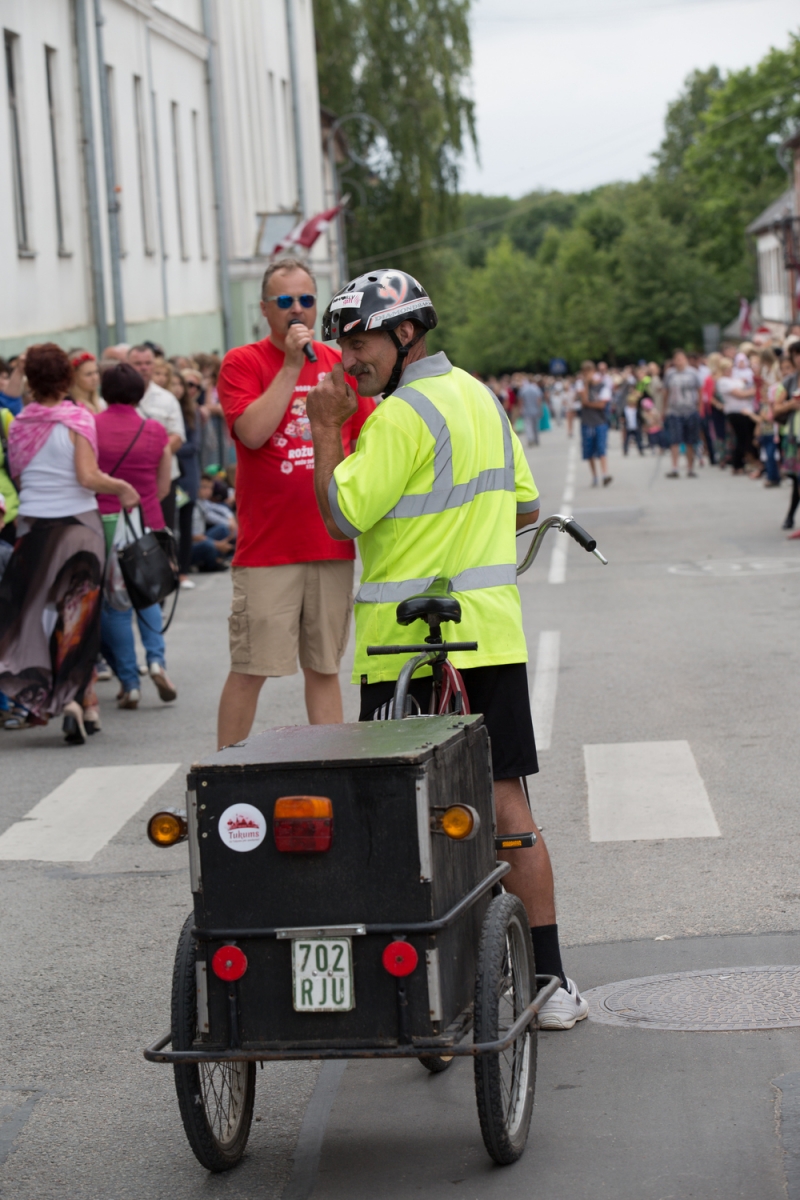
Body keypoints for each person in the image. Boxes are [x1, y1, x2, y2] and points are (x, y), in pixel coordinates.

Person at [307, 269, 588, 1031]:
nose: (349, 357)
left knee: (398, 815)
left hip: (407, 644)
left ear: (405, 335)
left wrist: (328, 430)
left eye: (359, 340)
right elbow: (526, 503)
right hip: (488, 634)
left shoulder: (400, 417)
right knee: (508, 805)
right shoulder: (479, 398)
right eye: (342, 342)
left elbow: (340, 513)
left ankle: (412, 991)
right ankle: (554, 985)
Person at [215, 256, 375, 748]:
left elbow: (366, 439)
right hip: (268, 549)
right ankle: (223, 770)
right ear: (265, 308)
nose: (298, 310)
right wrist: (288, 366)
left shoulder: (336, 365)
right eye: (285, 301)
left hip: (328, 542)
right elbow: (253, 433)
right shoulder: (243, 363)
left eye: (307, 299)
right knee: (251, 669)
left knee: (324, 669)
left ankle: (332, 769)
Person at [0, 344, 138, 742]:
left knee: (39, 617)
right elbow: (87, 476)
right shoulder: (79, 418)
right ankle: (78, 701)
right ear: (66, 378)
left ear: (30, 381)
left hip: (34, 529)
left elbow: (22, 478)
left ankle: (82, 704)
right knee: (79, 616)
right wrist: (121, 487)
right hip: (79, 526)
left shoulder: (20, 422)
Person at [95, 363, 177, 708]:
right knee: (148, 594)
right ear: (139, 392)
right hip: (145, 520)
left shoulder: (91, 426)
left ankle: (129, 683)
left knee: (116, 607)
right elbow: (162, 486)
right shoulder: (154, 430)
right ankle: (156, 661)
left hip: (106, 522)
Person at [128, 344, 186, 531]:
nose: (144, 368)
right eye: (138, 363)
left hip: (163, 479)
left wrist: (149, 453)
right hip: (130, 480)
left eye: (148, 363)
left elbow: (177, 436)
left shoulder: (167, 398)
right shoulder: (117, 396)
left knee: (163, 533)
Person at [170, 368, 203, 589]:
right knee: (167, 526)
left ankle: (182, 571)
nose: (178, 389)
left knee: (185, 523)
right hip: (167, 473)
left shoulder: (193, 412)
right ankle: (168, 570)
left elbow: (193, 445)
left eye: (180, 384)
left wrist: (169, 446)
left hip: (187, 475)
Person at [663, 350, 702, 478]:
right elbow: (666, 392)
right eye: (677, 359)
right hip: (675, 411)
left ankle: (690, 468)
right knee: (675, 440)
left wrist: (699, 408)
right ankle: (675, 468)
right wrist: (664, 409)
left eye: (681, 358)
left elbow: (699, 390)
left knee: (690, 441)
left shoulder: (693, 373)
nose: (679, 361)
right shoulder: (670, 374)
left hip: (690, 409)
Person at [775, 341, 800, 530]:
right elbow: (775, 409)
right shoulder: (789, 381)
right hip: (793, 434)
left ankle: (790, 517)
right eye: (796, 355)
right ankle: (790, 516)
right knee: (796, 478)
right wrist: (792, 404)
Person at [716, 356, 755, 475]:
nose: (729, 371)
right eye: (726, 369)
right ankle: (737, 464)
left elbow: (745, 385)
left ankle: (742, 462)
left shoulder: (734, 379)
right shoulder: (723, 381)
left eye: (730, 368)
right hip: (735, 412)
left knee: (746, 438)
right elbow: (740, 394)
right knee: (742, 438)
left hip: (745, 410)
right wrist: (754, 390)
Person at [576, 361, 612, 487]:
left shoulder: (602, 385)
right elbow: (583, 400)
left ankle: (604, 474)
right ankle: (595, 476)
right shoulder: (581, 384)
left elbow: (602, 405)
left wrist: (589, 405)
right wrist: (586, 383)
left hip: (600, 421)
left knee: (601, 448)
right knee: (589, 450)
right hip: (587, 422)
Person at [69, 351, 106, 415]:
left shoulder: (101, 403)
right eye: (88, 374)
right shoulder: (73, 407)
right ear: (75, 377)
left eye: (96, 372)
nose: (95, 378)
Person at [517, 375, 542, 447]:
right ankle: (536, 439)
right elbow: (538, 400)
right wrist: (539, 408)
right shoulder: (536, 388)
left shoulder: (523, 389)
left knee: (528, 426)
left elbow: (521, 400)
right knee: (535, 426)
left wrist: (520, 409)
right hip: (535, 409)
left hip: (526, 410)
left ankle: (530, 439)